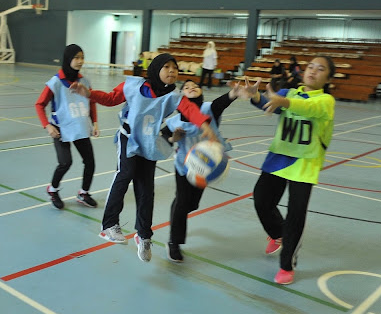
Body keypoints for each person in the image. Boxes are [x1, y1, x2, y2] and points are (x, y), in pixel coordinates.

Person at [71, 53, 216, 263]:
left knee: (146, 189)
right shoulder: (133, 85)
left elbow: (190, 110)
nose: (172, 71)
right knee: (125, 173)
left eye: (175, 67)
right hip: (128, 138)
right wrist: (89, 93)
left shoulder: (174, 95)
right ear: (156, 69)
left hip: (148, 142)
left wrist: (204, 125)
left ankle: (144, 235)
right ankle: (109, 225)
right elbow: (111, 99)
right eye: (166, 67)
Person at [243, 56, 336, 285]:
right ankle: (277, 234)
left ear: (328, 78)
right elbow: (269, 103)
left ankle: (287, 265)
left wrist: (283, 101)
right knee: (261, 200)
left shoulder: (325, 100)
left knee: (295, 214)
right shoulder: (289, 93)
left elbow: (308, 108)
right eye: (310, 66)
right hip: (279, 157)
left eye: (320, 69)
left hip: (305, 163)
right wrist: (255, 96)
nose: (313, 71)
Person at [165, 79, 243, 263]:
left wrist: (235, 93)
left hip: (205, 167)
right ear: (181, 96)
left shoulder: (209, 109)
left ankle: (177, 207)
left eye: (195, 86)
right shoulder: (174, 121)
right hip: (184, 167)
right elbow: (164, 137)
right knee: (182, 202)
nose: (191, 87)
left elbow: (222, 102)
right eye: (186, 87)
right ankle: (174, 243)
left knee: (192, 204)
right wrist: (173, 138)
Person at [35, 44, 100, 210]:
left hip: (80, 127)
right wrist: (47, 125)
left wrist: (95, 122)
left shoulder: (84, 81)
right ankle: (53, 189)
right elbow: (39, 104)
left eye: (82, 57)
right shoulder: (55, 82)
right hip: (61, 129)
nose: (80, 61)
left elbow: (91, 101)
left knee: (90, 162)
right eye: (76, 57)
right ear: (68, 59)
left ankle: (84, 193)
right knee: (65, 162)